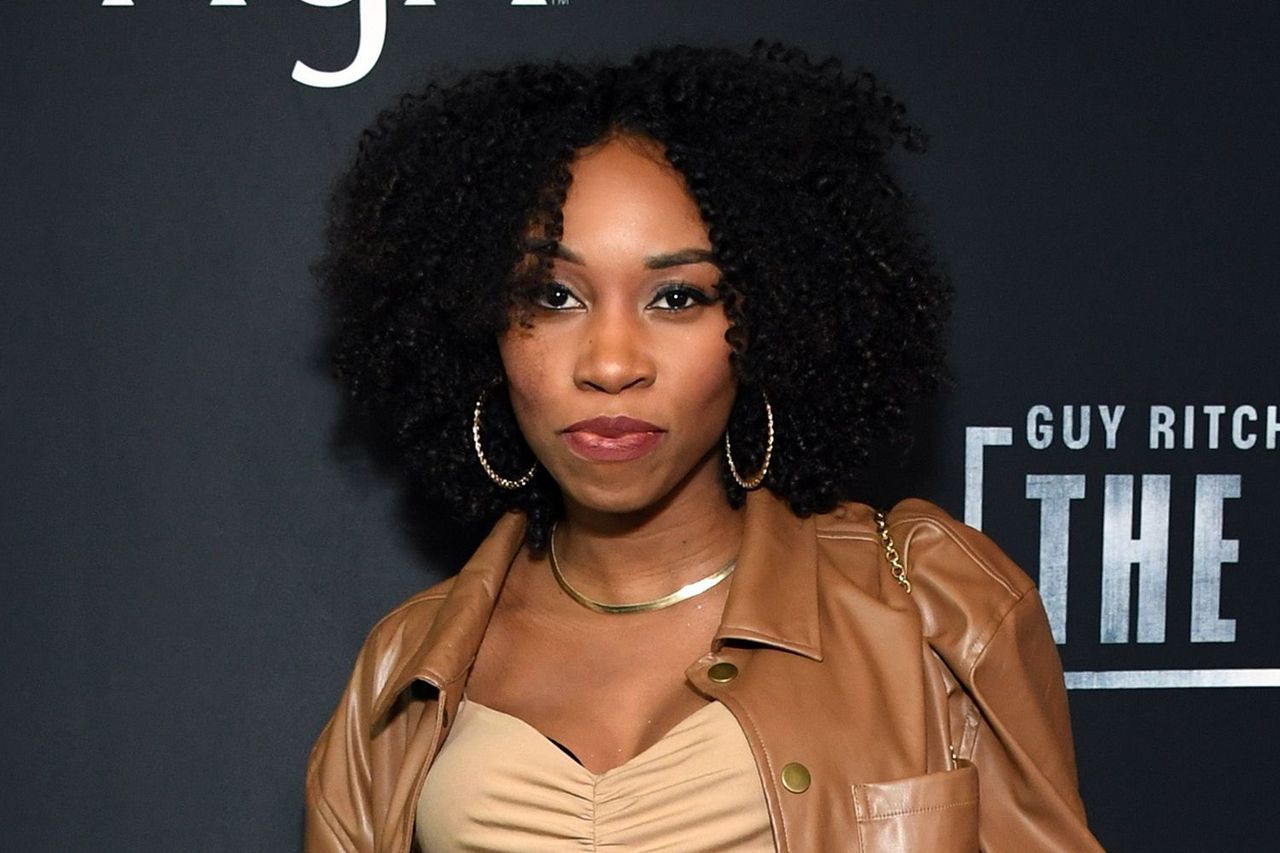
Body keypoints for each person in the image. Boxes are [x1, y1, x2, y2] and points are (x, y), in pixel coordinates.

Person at [305, 42, 1103, 852]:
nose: (611, 363)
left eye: (677, 296)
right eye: (554, 295)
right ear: (480, 320)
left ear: (769, 323)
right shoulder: (404, 668)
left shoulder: (936, 612)